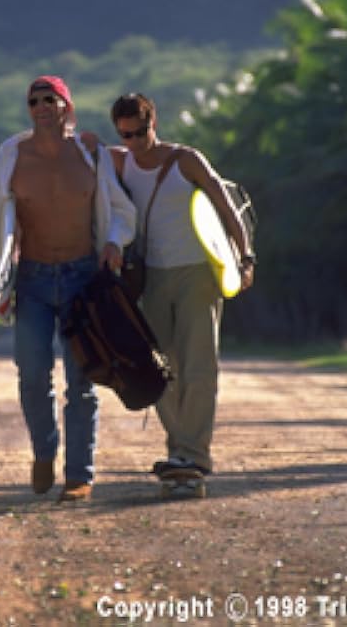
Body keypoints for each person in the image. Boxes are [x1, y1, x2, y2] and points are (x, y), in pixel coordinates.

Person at [0, 76, 136, 502]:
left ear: (67, 106)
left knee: (82, 381)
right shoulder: (10, 157)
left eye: (50, 99)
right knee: (31, 374)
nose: (42, 106)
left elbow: (120, 209)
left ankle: (79, 475)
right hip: (34, 280)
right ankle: (44, 451)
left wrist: (114, 242)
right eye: (34, 101)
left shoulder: (90, 153)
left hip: (84, 277)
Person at [107, 92, 254, 478]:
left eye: (140, 132)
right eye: (126, 135)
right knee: (160, 370)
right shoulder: (119, 161)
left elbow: (227, 208)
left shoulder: (186, 160)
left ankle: (194, 454)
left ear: (153, 122)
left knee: (199, 366)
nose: (135, 142)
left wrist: (246, 256)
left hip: (197, 272)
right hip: (152, 276)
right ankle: (180, 450)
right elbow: (78, 153)